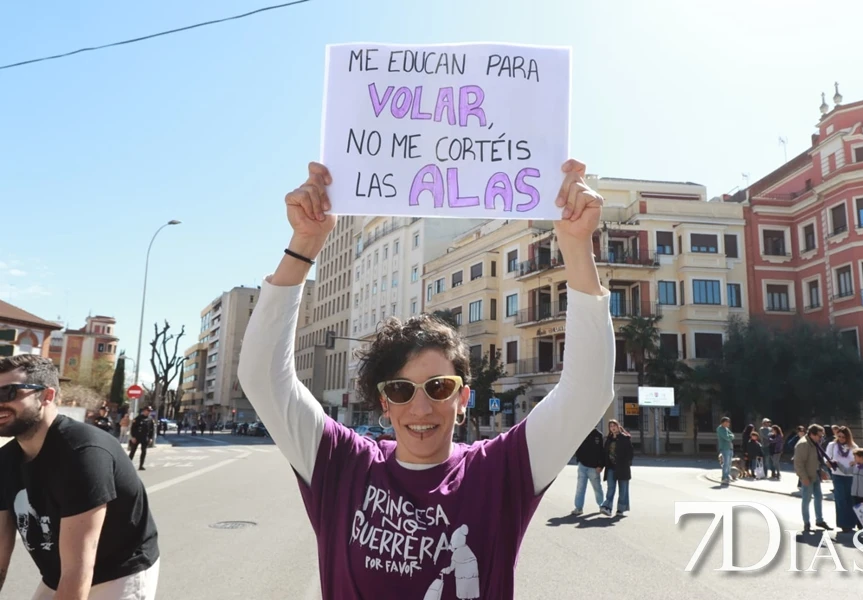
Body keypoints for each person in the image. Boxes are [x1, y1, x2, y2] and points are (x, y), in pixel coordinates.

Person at [237, 159, 615, 598]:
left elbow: (587, 392)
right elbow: (263, 378)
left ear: (463, 398)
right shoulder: (341, 464)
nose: (420, 408)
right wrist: (303, 246)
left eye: (439, 387)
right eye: (401, 390)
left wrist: (575, 247)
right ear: (384, 401)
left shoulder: (499, 472)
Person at [0, 355, 160, 599]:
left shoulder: (83, 454)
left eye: (8, 393)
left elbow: (78, 571)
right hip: (58, 573)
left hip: (118, 572)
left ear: (46, 396)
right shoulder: (5, 460)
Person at [793, 424, 833, 534]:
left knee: (818, 497)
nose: (821, 438)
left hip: (815, 474)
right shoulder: (803, 444)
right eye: (820, 436)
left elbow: (815, 459)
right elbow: (798, 463)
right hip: (807, 476)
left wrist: (821, 470)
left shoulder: (814, 443)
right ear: (812, 434)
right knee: (806, 500)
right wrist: (803, 478)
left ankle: (819, 520)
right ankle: (806, 523)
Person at [825, 425, 858, 533]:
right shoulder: (832, 445)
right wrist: (828, 463)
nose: (841, 439)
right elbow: (827, 458)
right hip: (837, 475)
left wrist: (855, 462)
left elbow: (859, 458)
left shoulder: (853, 446)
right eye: (839, 436)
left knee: (850, 499)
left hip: (850, 475)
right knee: (840, 499)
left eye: (843, 437)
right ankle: (843, 523)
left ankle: (851, 522)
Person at [600, 420, 632, 516]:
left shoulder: (625, 438)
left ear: (618, 427)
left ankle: (620, 509)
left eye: (614, 425)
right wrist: (601, 465)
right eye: (611, 426)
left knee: (623, 489)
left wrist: (626, 463)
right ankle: (607, 507)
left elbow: (630, 453)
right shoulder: (608, 439)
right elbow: (604, 454)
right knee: (610, 488)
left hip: (622, 468)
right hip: (610, 467)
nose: (613, 427)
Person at [571, 426, 604, 516]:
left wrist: (600, 465)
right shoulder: (582, 433)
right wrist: (579, 460)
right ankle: (578, 508)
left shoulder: (598, 435)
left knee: (597, 488)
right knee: (580, 488)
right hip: (582, 465)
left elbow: (602, 451)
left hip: (594, 467)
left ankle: (601, 506)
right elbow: (577, 447)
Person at [129, 406, 154, 471]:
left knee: (144, 451)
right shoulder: (138, 418)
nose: (149, 412)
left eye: (149, 411)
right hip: (137, 437)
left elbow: (151, 429)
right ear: (144, 411)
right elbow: (133, 428)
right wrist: (133, 437)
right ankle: (128, 464)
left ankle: (141, 465)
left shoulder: (150, 419)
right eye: (148, 411)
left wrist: (150, 438)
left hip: (145, 437)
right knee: (133, 451)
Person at [716, 417, 734, 484]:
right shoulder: (720, 429)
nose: (728, 423)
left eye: (729, 422)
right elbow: (726, 437)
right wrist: (730, 437)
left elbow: (733, 435)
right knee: (726, 463)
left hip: (730, 448)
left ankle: (728, 475)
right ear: (723, 422)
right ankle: (724, 477)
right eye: (727, 422)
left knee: (729, 463)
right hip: (724, 448)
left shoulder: (726, 429)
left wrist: (730, 436)